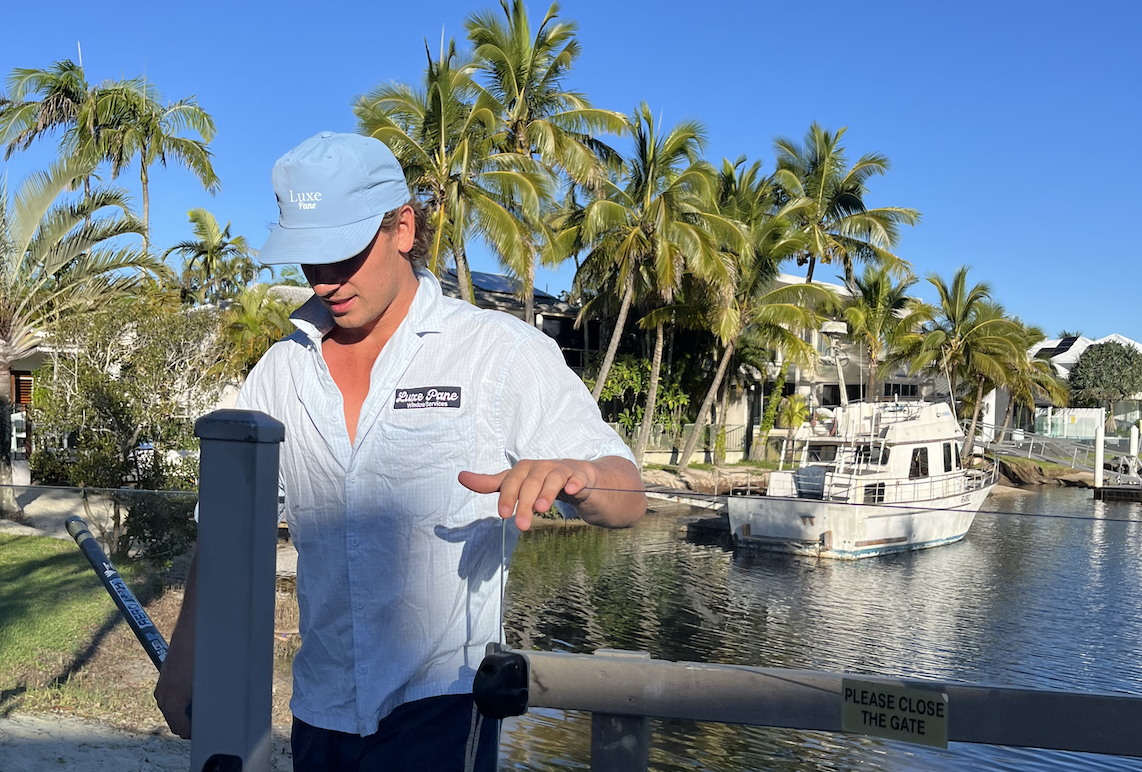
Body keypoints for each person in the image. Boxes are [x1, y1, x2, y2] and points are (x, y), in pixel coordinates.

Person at [154, 131, 646, 771]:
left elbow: (628, 494)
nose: (327, 279)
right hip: (319, 707)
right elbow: (224, 528)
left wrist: (577, 475)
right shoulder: (279, 373)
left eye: (345, 253)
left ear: (403, 229)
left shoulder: (499, 352)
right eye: (310, 258)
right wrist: (185, 658)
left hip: (443, 706)